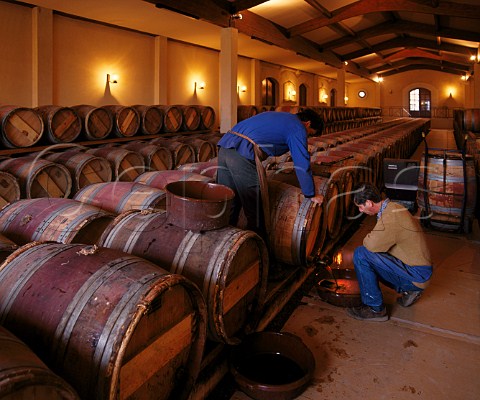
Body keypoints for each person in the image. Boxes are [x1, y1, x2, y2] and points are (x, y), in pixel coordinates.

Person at [216, 109, 324, 241]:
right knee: (255, 207)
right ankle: (257, 248)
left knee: (229, 201)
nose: (306, 137)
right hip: (241, 154)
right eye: (309, 134)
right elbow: (301, 162)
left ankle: (223, 241)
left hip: (225, 148)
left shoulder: (281, 116)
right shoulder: (298, 127)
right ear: (307, 124)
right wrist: (310, 194)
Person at [345, 182, 432, 322]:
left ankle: (375, 309)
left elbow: (371, 245)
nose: (360, 210)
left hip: (416, 275)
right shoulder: (393, 207)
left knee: (361, 255)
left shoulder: (390, 218)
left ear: (369, 203)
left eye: (360, 207)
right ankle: (410, 291)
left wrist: (369, 238)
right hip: (419, 271)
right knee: (372, 255)